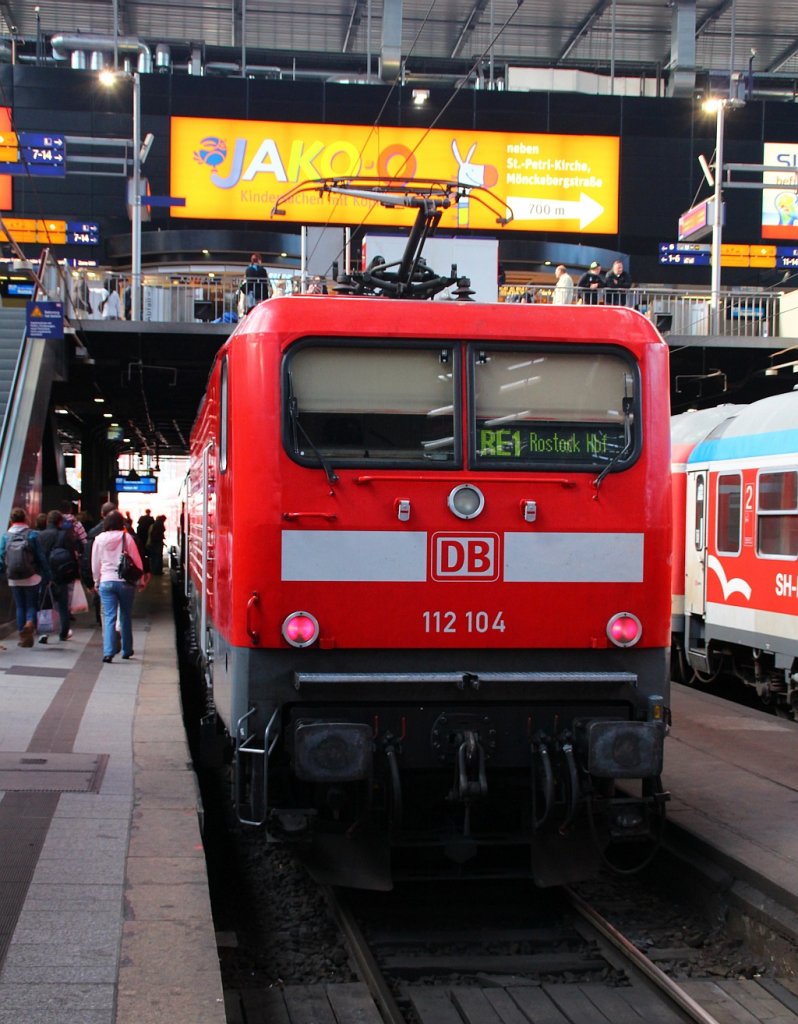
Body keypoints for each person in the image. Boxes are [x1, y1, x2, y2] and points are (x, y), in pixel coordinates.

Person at [91, 511, 145, 663]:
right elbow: (136, 559)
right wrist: (140, 579)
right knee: (125, 616)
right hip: (125, 582)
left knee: (109, 617)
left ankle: (108, 652)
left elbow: (95, 563)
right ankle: (126, 650)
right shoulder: (125, 537)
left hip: (106, 582)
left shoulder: (99, 539)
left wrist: (96, 580)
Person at [0, 507, 50, 647]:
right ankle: (30, 623)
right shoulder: (32, 535)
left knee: (20, 606)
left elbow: (1, 556)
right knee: (31, 605)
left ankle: (23, 635)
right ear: (25, 518)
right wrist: (47, 575)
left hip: (13, 578)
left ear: (12, 520)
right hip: (31, 576)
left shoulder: (5, 536)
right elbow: (41, 557)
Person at [37, 510, 80, 643]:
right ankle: (63, 633)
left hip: (45, 575)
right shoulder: (65, 535)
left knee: (45, 604)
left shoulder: (40, 535)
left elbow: (37, 556)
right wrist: (75, 574)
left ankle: (44, 633)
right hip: (61, 574)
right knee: (63, 605)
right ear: (60, 522)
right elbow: (72, 556)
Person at [81, 500, 118, 625]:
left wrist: (90, 582)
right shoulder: (126, 533)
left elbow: (88, 558)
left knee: (105, 612)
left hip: (103, 578)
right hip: (122, 578)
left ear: (102, 514)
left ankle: (107, 631)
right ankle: (116, 633)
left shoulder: (93, 533)